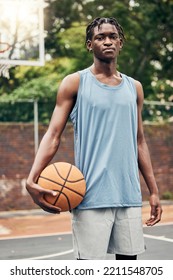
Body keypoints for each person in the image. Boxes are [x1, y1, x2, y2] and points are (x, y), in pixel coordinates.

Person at [26, 17, 162, 260]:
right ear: (90, 45)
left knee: (129, 268)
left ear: (120, 43)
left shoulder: (135, 88)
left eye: (112, 36)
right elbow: (53, 134)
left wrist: (153, 190)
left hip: (128, 194)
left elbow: (139, 141)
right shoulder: (75, 83)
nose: (107, 41)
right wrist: (32, 177)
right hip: (89, 195)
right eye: (100, 37)